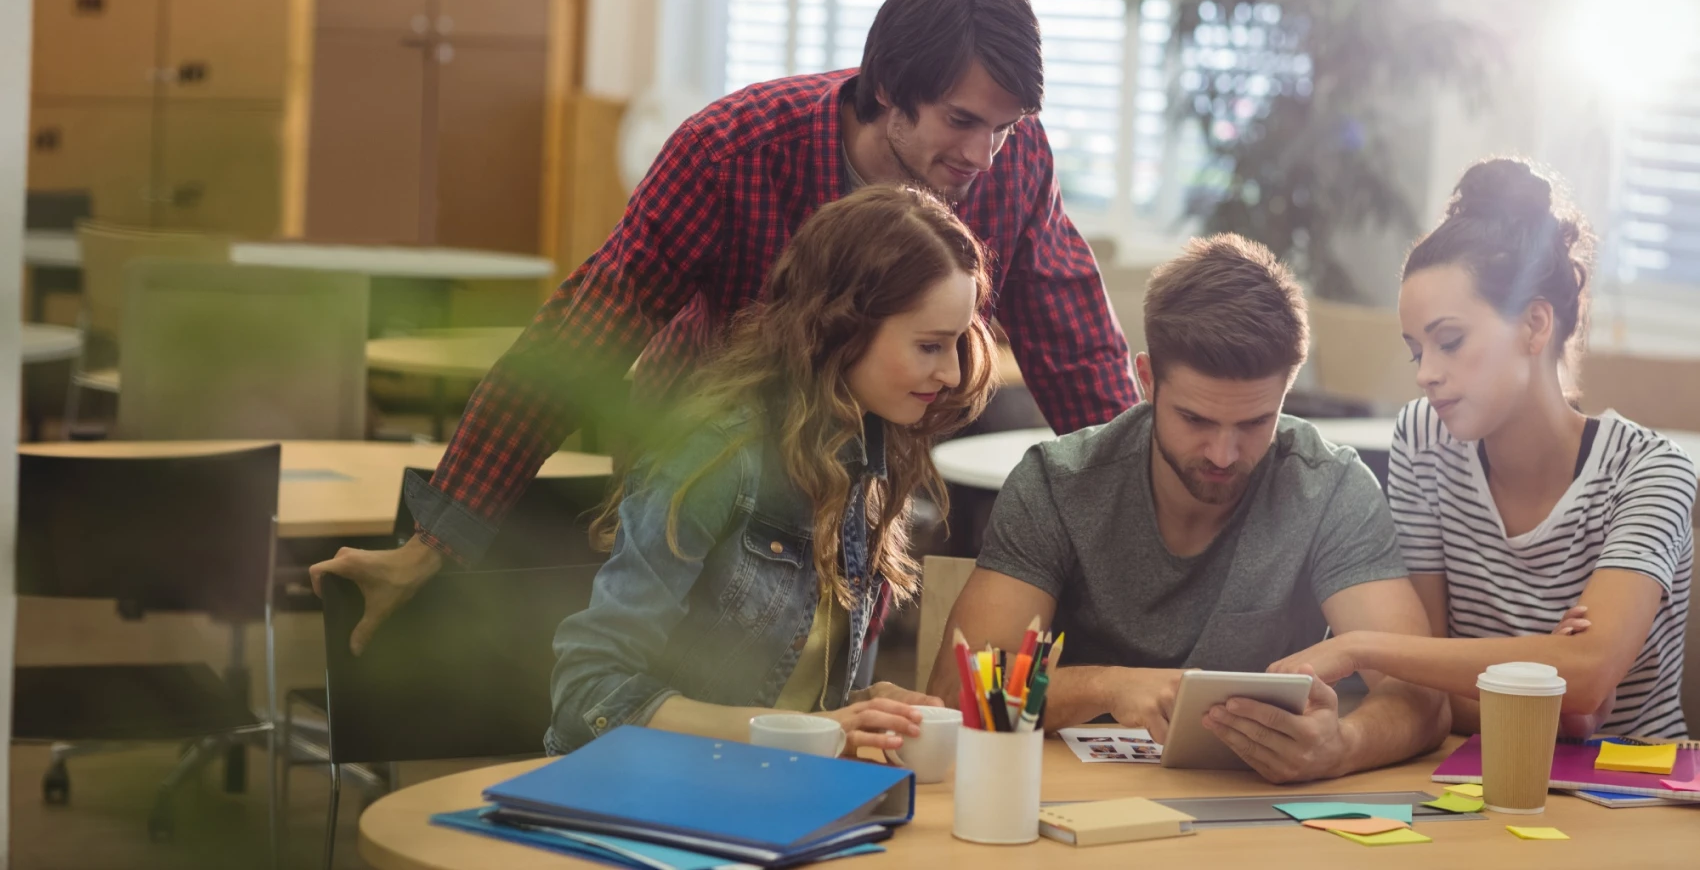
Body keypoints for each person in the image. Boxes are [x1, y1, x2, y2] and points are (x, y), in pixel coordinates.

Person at [310, 0, 1137, 652]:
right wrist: (439, 537)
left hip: (857, 479)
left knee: (819, 701)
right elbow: (588, 329)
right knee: (685, 696)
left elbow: (1078, 346)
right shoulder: (736, 150)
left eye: (1005, 125)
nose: (984, 155)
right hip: (703, 472)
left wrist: (1147, 511)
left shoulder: (1012, 160)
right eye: (963, 121)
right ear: (889, 86)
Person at [929, 234, 1448, 785]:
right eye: (1196, 420)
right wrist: (1109, 686)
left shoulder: (1330, 487)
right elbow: (955, 693)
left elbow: (1421, 697)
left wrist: (1344, 745)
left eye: (1254, 424)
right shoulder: (1058, 485)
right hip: (1069, 800)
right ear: (1147, 381)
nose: (1224, 455)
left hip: (1253, 811)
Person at [547, 185, 996, 754]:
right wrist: (815, 728)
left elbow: (787, 692)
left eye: (959, 344)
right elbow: (588, 695)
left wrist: (856, 709)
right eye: (931, 346)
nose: (954, 374)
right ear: (843, 329)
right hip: (658, 796)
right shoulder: (718, 457)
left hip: (770, 790)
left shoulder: (862, 451)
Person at [1272, 158, 1697, 739]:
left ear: (1534, 325)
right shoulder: (1424, 440)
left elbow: (1589, 676)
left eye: (1450, 341)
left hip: (1632, 794)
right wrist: (1547, 687)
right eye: (1417, 352)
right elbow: (1423, 689)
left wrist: (1364, 646)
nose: (1426, 375)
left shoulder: (1651, 472)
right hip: (1472, 779)